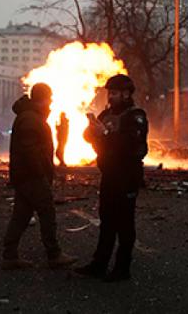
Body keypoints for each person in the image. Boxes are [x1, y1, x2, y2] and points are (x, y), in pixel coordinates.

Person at [75, 74, 148, 282]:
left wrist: (105, 135)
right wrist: (92, 131)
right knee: (106, 220)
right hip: (109, 174)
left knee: (125, 223)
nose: (111, 97)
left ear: (126, 94)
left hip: (127, 175)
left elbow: (131, 145)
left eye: (114, 93)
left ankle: (122, 268)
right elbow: (89, 137)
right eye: (109, 93)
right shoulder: (106, 114)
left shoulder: (136, 116)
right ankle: (99, 263)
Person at [1, 83, 77, 270]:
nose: (51, 102)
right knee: (47, 212)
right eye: (49, 98)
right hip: (32, 177)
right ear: (41, 98)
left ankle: (9, 256)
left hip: (25, 176)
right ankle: (54, 254)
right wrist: (42, 175)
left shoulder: (30, 116)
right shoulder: (30, 119)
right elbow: (31, 152)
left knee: (21, 215)